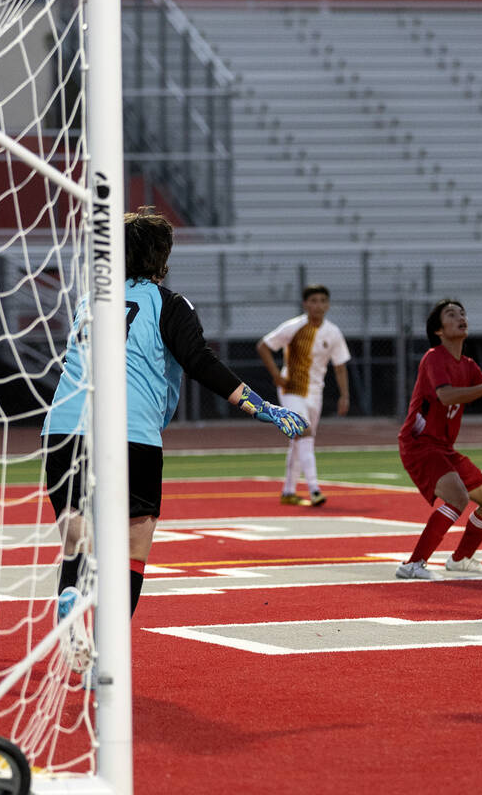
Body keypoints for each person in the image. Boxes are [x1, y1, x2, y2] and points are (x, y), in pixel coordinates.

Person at [42, 207, 308, 671]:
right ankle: (105, 652)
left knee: (76, 529)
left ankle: (71, 593)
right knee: (134, 535)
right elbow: (200, 361)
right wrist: (260, 406)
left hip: (64, 425)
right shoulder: (168, 303)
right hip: (129, 430)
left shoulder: (89, 300)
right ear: (159, 257)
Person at [396, 299, 482, 580]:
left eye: (463, 313)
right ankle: (412, 565)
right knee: (458, 497)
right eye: (452, 314)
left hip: (444, 448)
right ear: (438, 330)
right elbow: (445, 395)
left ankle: (460, 560)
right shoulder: (434, 357)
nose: (461, 317)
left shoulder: (469, 365)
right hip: (419, 444)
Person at [257, 284, 351, 507]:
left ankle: (288, 491)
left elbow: (339, 366)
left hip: (315, 391)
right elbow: (264, 346)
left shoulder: (333, 332)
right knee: (304, 431)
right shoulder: (294, 326)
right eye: (314, 301)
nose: (318, 305)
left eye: (322, 301)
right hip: (291, 389)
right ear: (305, 304)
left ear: (328, 305)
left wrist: (344, 395)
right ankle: (314, 489)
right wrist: (276, 376)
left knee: (300, 440)